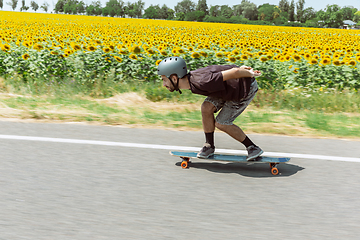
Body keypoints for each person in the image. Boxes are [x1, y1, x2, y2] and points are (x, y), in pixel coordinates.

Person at [157, 56, 263, 161]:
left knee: (222, 123)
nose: (164, 84)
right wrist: (241, 68)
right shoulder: (192, 80)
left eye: (164, 80)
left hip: (243, 89)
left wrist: (249, 74)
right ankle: (209, 146)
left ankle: (252, 147)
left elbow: (234, 72)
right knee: (206, 107)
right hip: (227, 89)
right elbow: (218, 69)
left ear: (174, 78)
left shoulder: (201, 81)